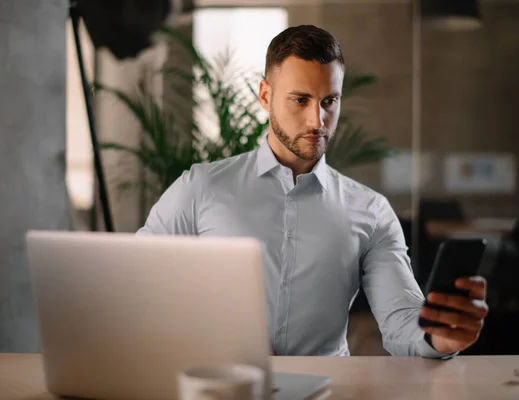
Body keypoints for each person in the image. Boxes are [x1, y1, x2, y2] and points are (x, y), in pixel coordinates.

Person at [136, 25, 488, 358]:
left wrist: (438, 337)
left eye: (329, 101)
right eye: (300, 100)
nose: (317, 121)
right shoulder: (201, 188)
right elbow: (136, 286)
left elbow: (400, 319)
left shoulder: (371, 211)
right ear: (265, 95)